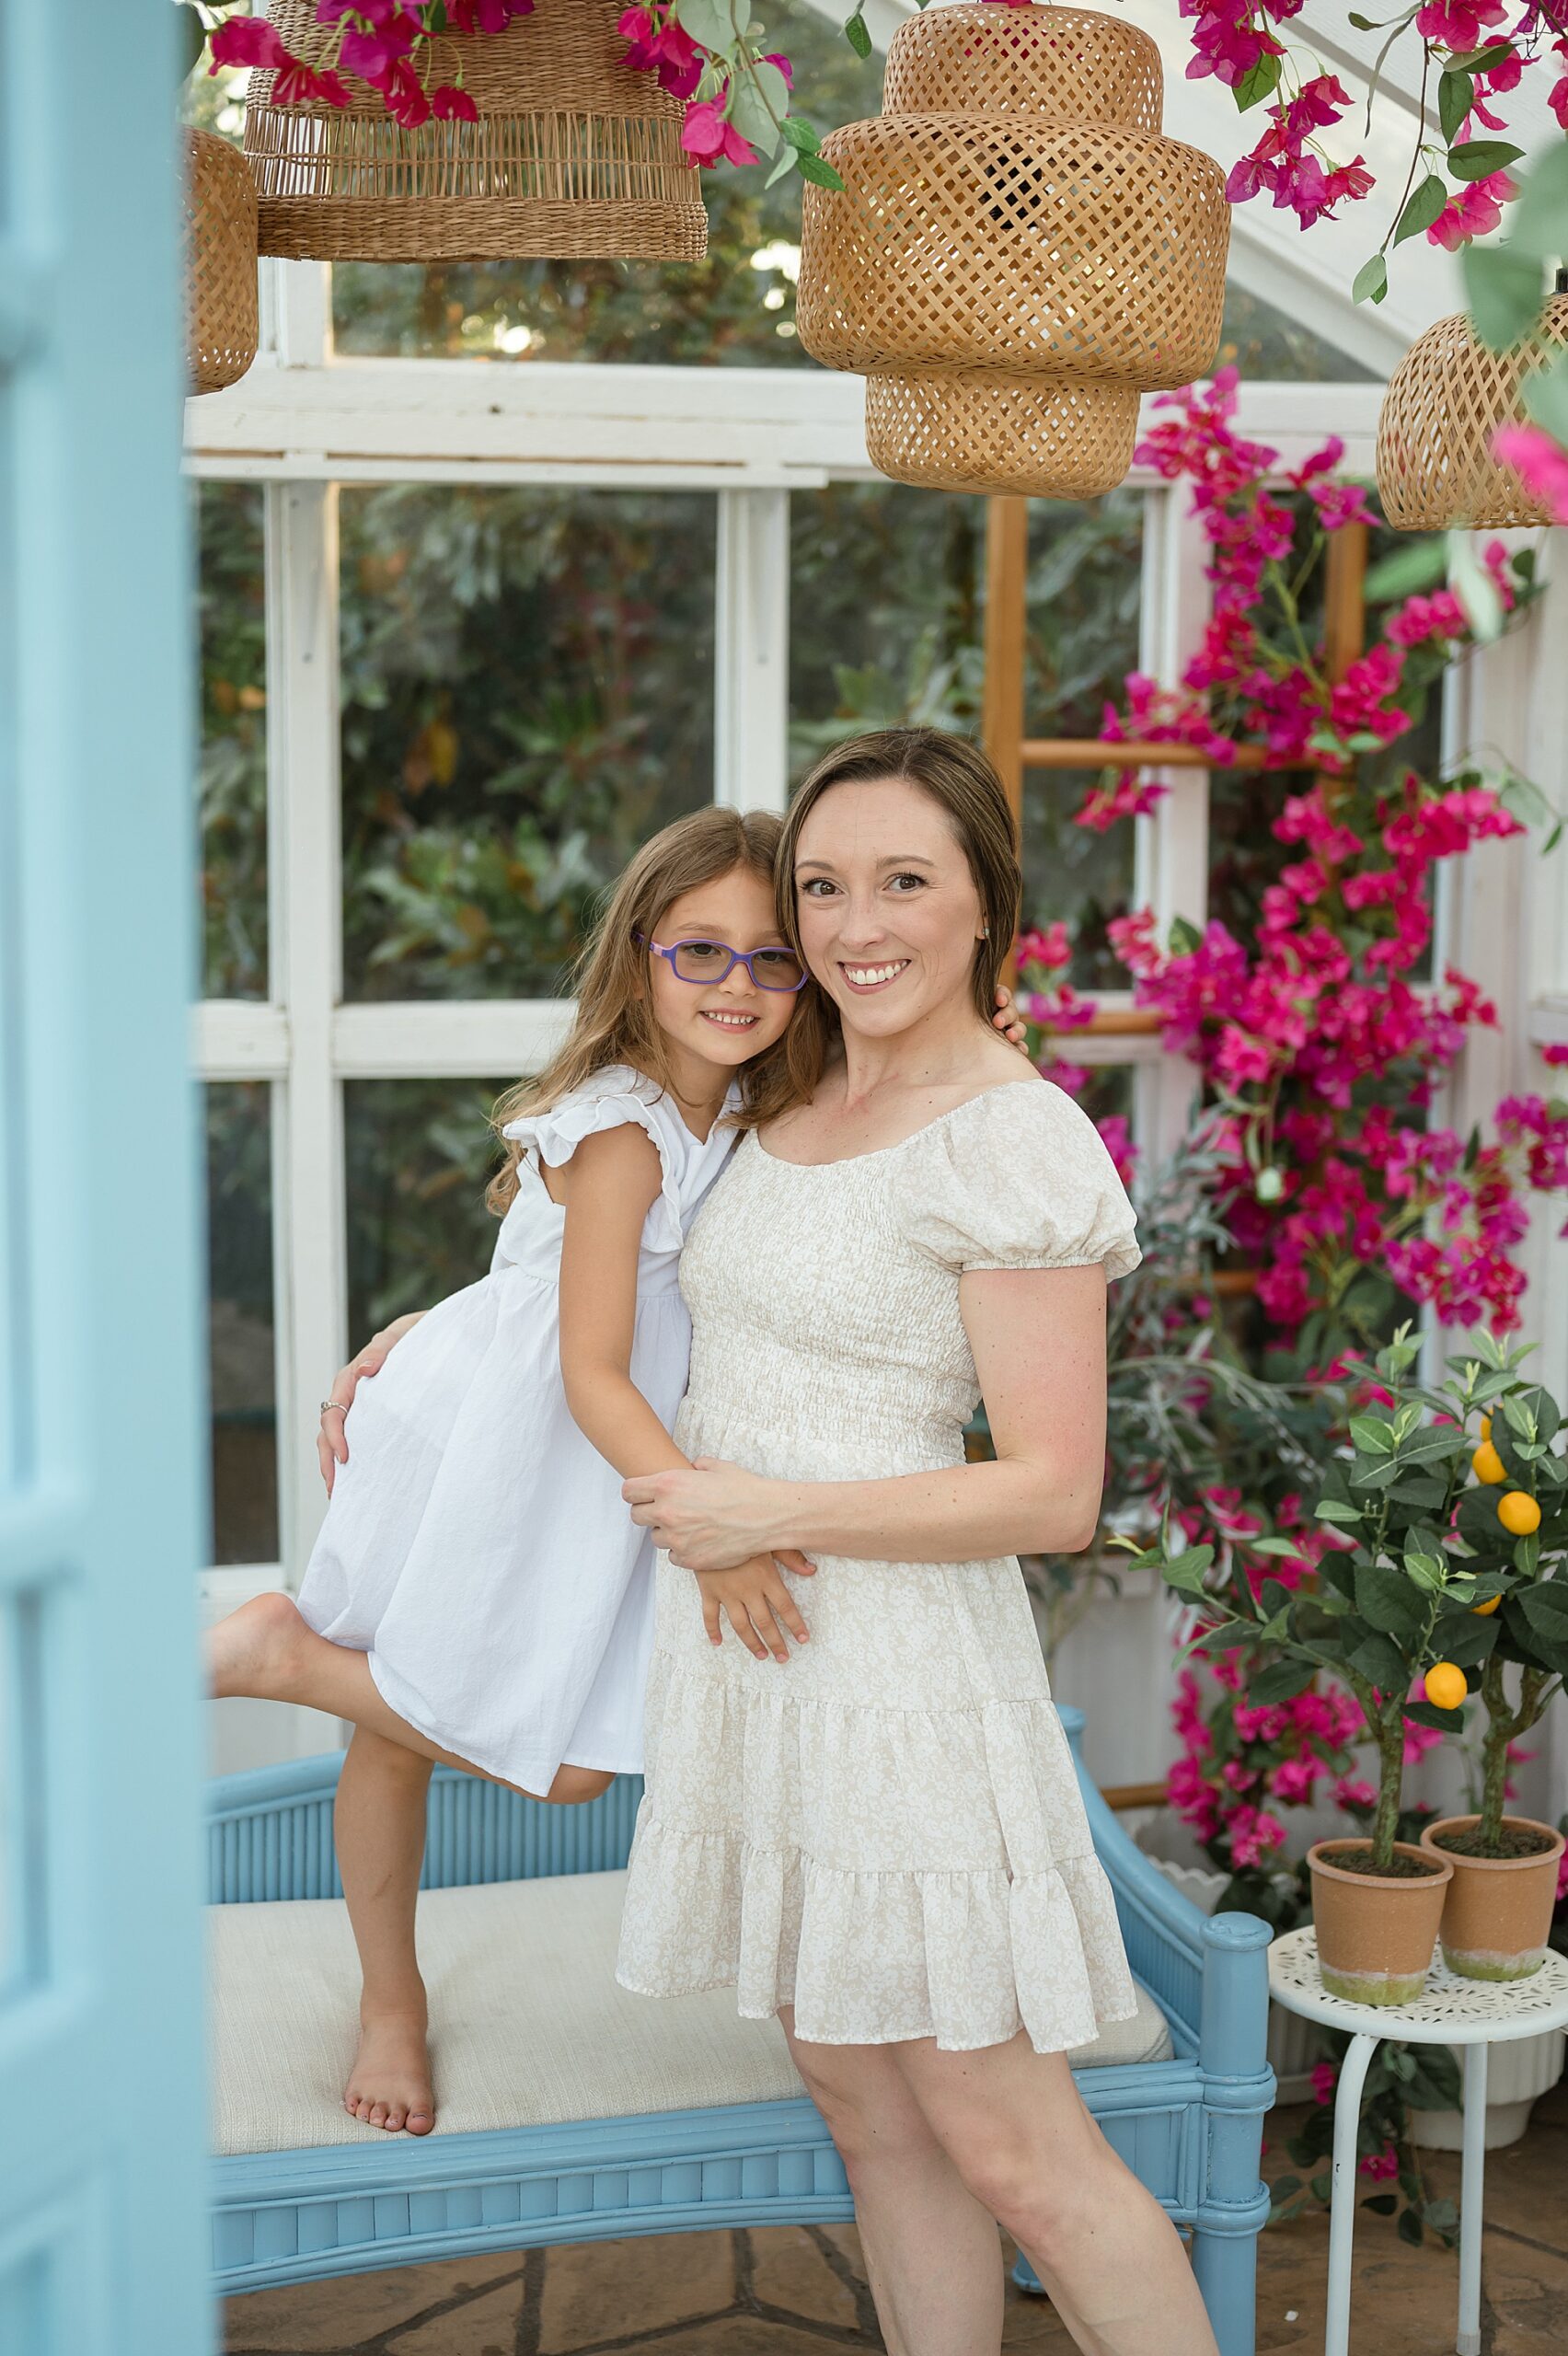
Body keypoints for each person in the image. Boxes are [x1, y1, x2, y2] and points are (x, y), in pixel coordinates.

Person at [207, 804, 1031, 2139]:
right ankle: (383, 1980)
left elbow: (583, 1300)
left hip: (569, 1455)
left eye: (772, 960)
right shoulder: (627, 1128)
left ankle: (295, 1677)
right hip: (520, 1447)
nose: (737, 985)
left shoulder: (747, 1111)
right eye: (698, 951)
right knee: (456, 1739)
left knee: (553, 1752)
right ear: (637, 953)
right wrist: (721, 1533)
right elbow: (587, 1362)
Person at [613, 729, 1222, 2356]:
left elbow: (1050, 1492)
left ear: (982, 907)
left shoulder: (1011, 1138)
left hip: (906, 1698)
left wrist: (768, 1512)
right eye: (823, 885)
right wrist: (412, 1347)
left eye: (902, 882)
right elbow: (617, 1268)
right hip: (768, 1684)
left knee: (1020, 2148)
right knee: (863, 2112)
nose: (852, 925)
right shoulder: (781, 1084)